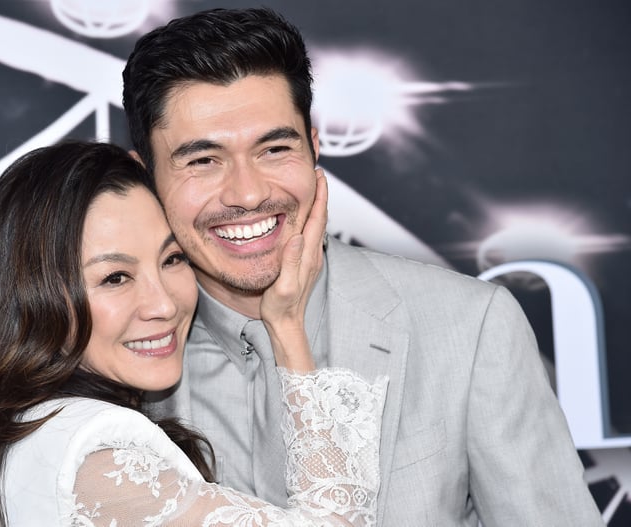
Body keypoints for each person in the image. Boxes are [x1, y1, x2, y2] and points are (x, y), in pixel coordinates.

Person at [121, 7, 603, 526]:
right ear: (144, 176)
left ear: (314, 146)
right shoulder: (110, 350)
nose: (248, 193)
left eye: (274, 148)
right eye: (203, 160)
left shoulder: (470, 326)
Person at [0, 140, 389, 526]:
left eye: (172, 259)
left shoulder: (12, 431)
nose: (164, 304)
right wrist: (286, 324)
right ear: (34, 296)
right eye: (115, 278)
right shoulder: (95, 455)